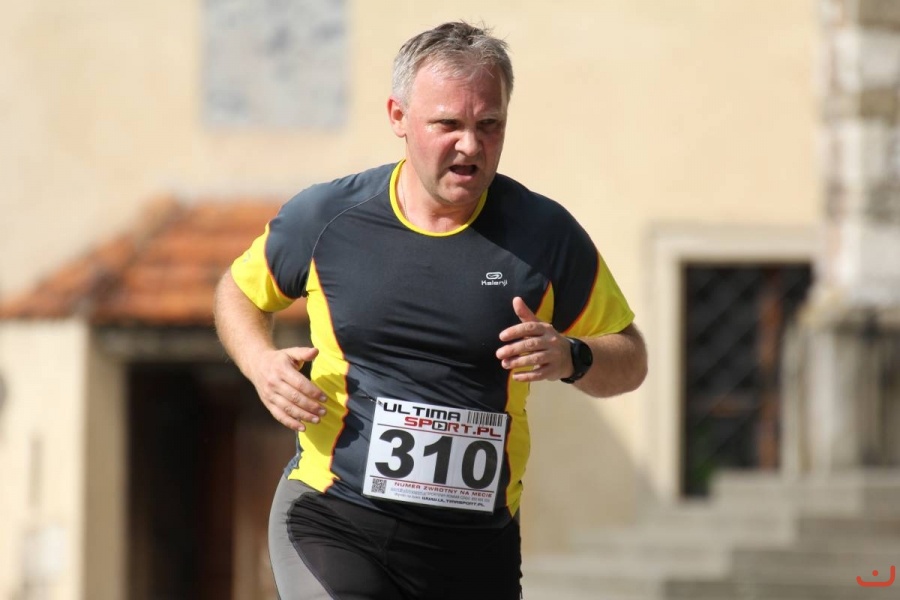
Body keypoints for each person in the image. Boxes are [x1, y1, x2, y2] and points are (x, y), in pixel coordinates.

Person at [214, 20, 648, 600]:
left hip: (474, 548)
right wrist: (258, 362)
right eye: (448, 124)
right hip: (336, 518)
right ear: (398, 116)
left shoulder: (544, 236)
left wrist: (572, 356)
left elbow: (631, 358)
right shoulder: (329, 219)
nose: (470, 145)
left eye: (489, 125)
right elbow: (238, 291)